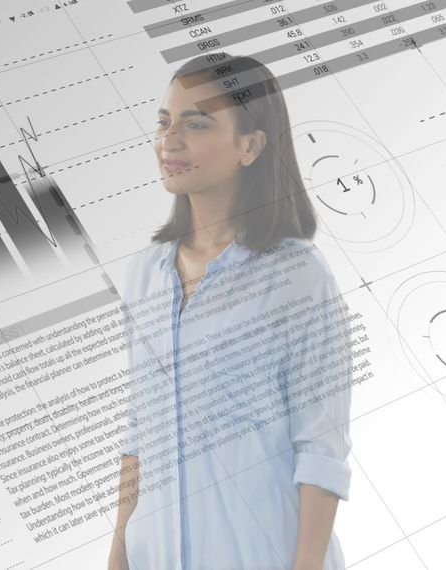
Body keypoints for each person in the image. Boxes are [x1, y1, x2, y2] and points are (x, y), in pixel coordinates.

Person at [107, 53, 355, 570]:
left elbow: (320, 446)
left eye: (196, 123)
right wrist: (118, 554)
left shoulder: (297, 274)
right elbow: (140, 429)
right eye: (164, 121)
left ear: (251, 145)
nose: (169, 140)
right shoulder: (143, 274)